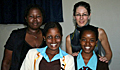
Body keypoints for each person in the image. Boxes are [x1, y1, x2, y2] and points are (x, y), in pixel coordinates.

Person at [1, 4, 46, 70]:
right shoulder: (16, 36)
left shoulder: (47, 35)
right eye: (31, 16)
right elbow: (7, 62)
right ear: (26, 18)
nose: (35, 19)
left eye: (38, 16)